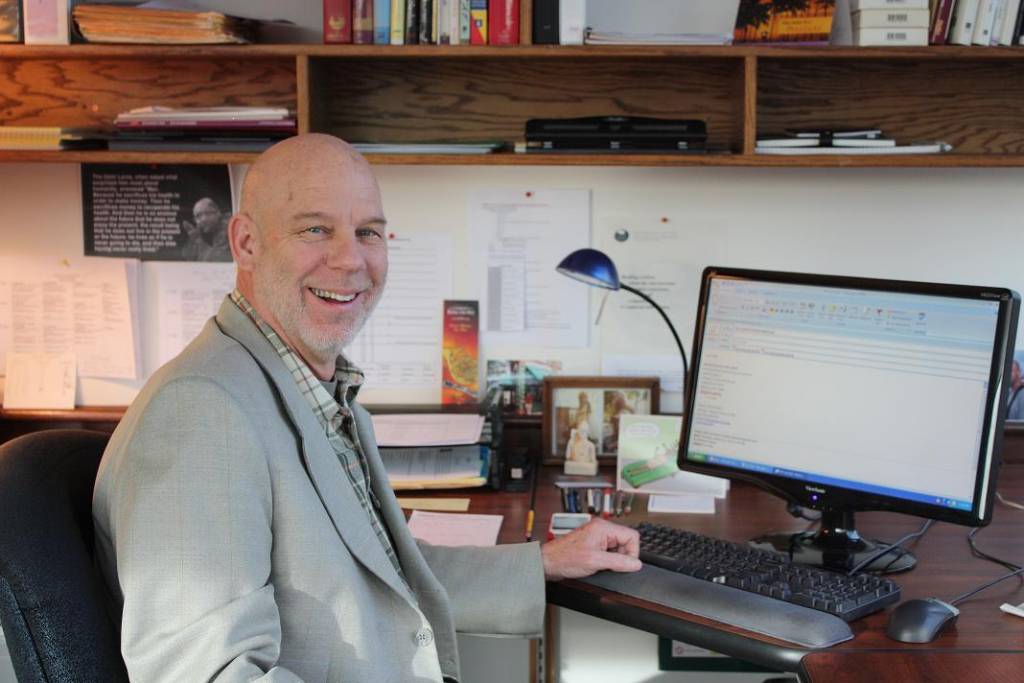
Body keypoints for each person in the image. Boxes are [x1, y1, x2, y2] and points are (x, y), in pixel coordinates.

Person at [93, 134, 641, 683]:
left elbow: (387, 574)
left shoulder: (314, 388)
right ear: (246, 244)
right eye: (315, 229)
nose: (350, 259)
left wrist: (547, 562)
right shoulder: (201, 412)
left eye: (368, 233)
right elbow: (206, 676)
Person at [180, 196, 232, 262]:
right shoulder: (200, 230)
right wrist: (193, 239)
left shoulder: (227, 225)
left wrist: (198, 240)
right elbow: (187, 257)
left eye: (208, 213)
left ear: (218, 213)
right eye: (198, 216)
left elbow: (214, 261)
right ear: (195, 220)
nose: (203, 219)